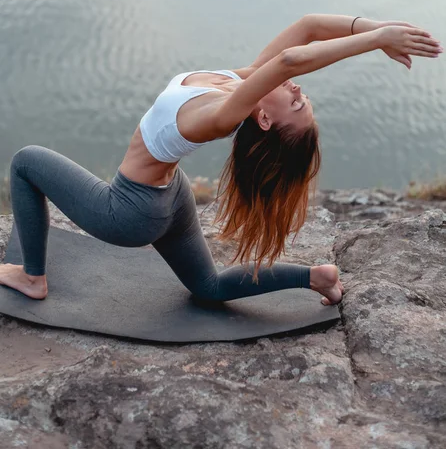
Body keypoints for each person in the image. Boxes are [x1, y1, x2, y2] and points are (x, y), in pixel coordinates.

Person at [0, 15, 442, 307]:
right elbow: (307, 29)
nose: (298, 90)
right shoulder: (241, 86)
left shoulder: (221, 116)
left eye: (299, 103)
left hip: (129, 211)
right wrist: (382, 31)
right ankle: (316, 277)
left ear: (266, 120)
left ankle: (32, 277)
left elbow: (291, 60)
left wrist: (376, 41)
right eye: (301, 96)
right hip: (169, 197)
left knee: (26, 162)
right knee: (208, 288)